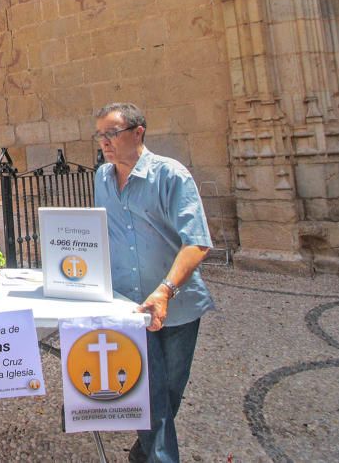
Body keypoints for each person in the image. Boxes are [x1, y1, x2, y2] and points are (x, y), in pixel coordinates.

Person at [92, 102, 214, 463]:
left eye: (112, 133)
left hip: (176, 305)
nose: (105, 143)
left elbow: (197, 242)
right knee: (152, 397)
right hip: (129, 307)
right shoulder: (102, 178)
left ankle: (143, 453)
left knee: (170, 393)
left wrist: (165, 291)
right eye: (101, 135)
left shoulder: (171, 175)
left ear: (139, 132)